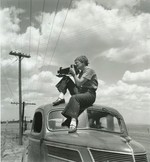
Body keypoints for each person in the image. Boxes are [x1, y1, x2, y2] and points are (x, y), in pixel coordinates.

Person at [52, 55, 98, 133]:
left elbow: (79, 83)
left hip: (89, 94)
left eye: (77, 63)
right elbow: (77, 85)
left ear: (83, 62)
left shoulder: (89, 71)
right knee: (66, 79)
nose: (75, 65)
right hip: (81, 92)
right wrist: (64, 74)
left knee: (74, 98)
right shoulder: (81, 73)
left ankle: (73, 123)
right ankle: (61, 98)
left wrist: (74, 75)